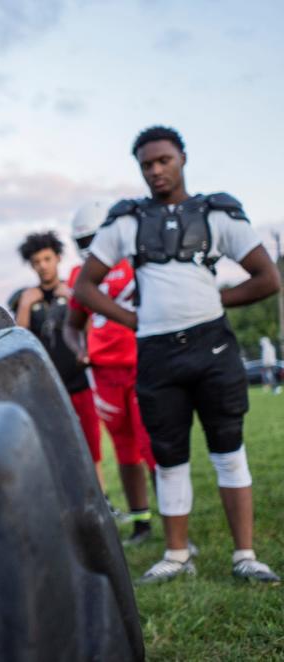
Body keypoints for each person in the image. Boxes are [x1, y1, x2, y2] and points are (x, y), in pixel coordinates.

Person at [74, 126, 282, 583]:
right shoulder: (126, 222)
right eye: (147, 164)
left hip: (213, 348)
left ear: (182, 158)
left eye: (164, 160)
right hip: (157, 353)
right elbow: (85, 287)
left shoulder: (216, 214)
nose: (156, 170)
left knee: (229, 451)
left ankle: (245, 555)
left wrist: (212, 301)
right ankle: (176, 554)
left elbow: (268, 277)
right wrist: (134, 320)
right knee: (169, 457)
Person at [64, 201, 155, 545]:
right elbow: (72, 326)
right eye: (82, 240)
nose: (89, 246)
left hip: (141, 363)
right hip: (103, 373)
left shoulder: (135, 263)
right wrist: (79, 350)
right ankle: (142, 522)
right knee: (125, 449)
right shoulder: (78, 275)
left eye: (93, 237)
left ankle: (178, 527)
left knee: (153, 447)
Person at [14, 232, 105, 495]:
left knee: (93, 449)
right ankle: (77, 505)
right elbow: (18, 340)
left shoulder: (74, 291)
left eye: (47, 259)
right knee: (60, 452)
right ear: (32, 266)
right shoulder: (26, 298)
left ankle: (104, 501)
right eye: (36, 261)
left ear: (57, 259)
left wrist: (75, 300)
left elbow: (91, 332)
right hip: (48, 388)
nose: (42, 265)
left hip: (80, 383)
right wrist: (24, 307)